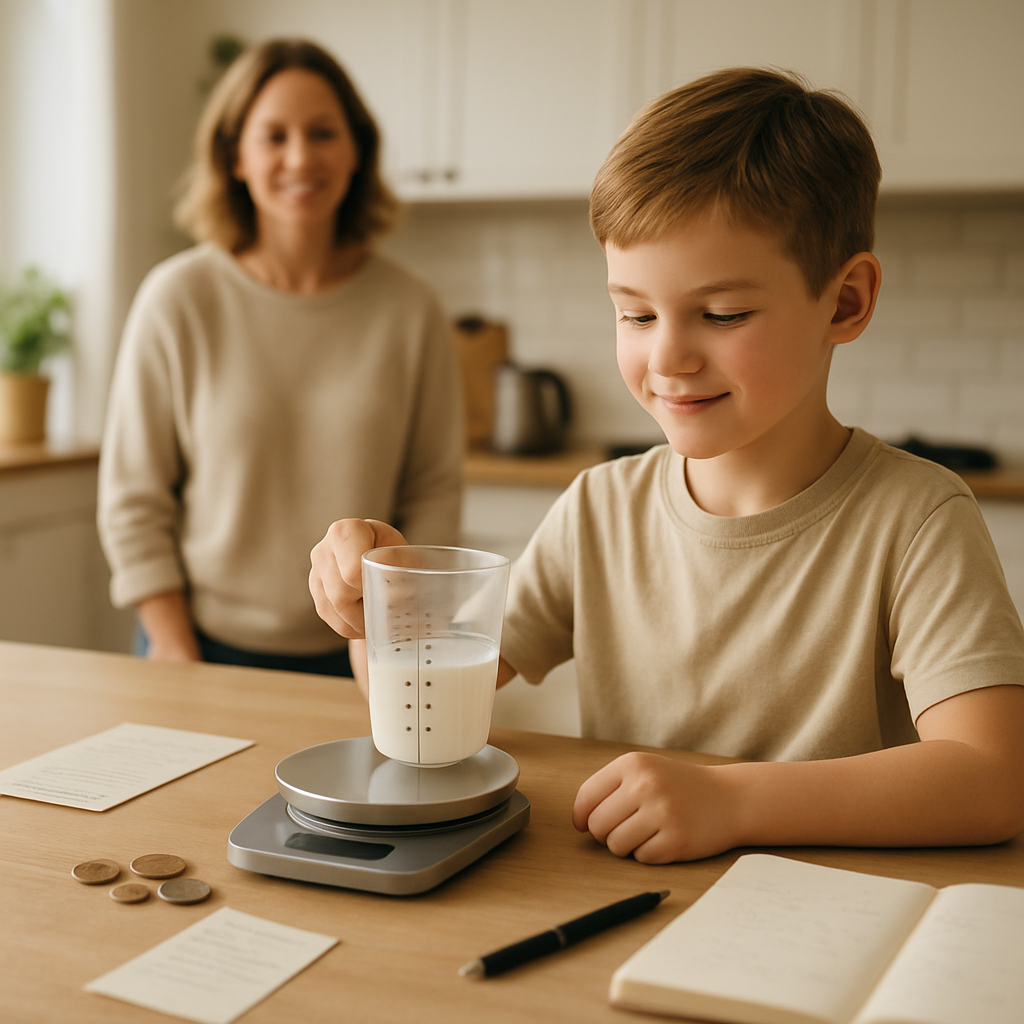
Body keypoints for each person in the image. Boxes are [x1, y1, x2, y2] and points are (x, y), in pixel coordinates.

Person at [308, 68, 1024, 861]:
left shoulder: (916, 518)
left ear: (846, 302)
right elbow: (417, 707)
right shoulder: (598, 510)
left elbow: (992, 778)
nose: (668, 355)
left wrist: (733, 800)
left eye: (722, 314)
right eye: (635, 313)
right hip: (625, 911)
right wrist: (376, 600)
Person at [98, 39, 463, 676]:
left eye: (323, 133)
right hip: (196, 649)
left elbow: (432, 491)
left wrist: (394, 636)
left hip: (361, 658)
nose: (300, 157)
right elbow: (134, 499)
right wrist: (176, 649)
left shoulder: (412, 308)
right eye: (274, 136)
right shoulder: (177, 299)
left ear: (356, 150)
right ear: (235, 154)